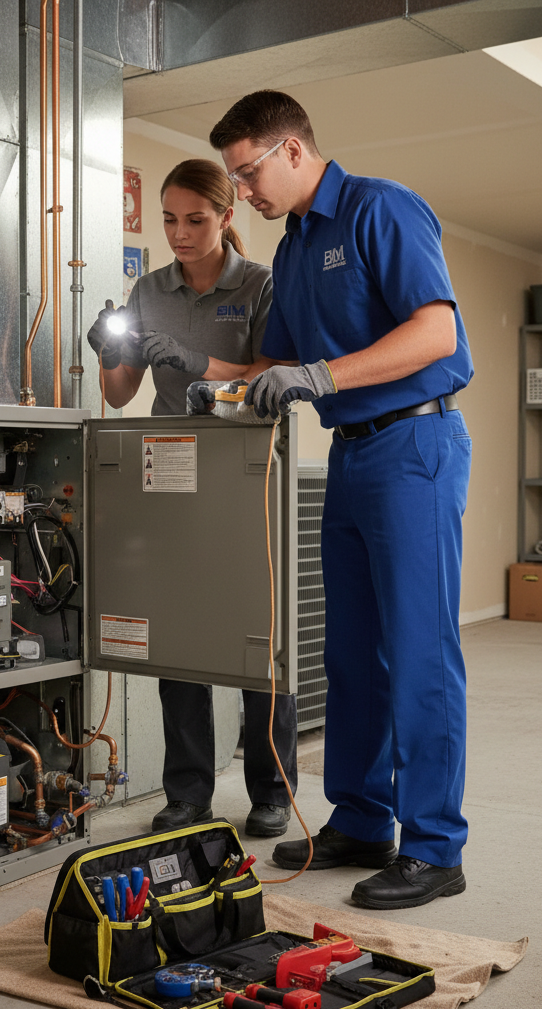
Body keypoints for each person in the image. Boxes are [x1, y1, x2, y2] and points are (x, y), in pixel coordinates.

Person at [209, 91, 473, 909]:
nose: (243, 191)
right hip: (354, 459)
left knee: (420, 655)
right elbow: (270, 367)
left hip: (415, 447)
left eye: (248, 172)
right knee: (353, 654)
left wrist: (320, 378)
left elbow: (437, 334)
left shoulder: (380, 210)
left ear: (292, 151)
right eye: (235, 177)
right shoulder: (291, 252)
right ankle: (361, 819)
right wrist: (196, 378)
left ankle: (435, 848)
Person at [87, 158, 299, 838]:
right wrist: (106, 350)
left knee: (255, 639)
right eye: (170, 220)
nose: (180, 234)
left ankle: (271, 790)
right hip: (170, 473)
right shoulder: (148, 288)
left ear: (227, 216)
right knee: (176, 637)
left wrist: (190, 359)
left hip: (246, 469)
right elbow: (120, 394)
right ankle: (188, 794)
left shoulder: (263, 285)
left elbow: (268, 377)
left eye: (196, 220)